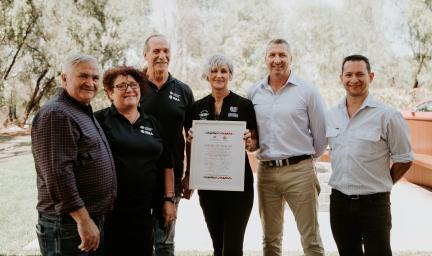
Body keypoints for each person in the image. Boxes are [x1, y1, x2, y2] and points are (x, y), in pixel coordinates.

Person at [326, 55, 413, 256]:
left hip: (374, 204)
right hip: (339, 202)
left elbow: (405, 159)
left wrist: (383, 183)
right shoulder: (332, 115)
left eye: (360, 74)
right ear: (341, 78)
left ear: (371, 76)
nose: (354, 79)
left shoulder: (388, 115)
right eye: (348, 74)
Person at [31, 53, 117, 256]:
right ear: (64, 78)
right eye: (83, 76)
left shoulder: (79, 110)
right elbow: (58, 174)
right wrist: (83, 220)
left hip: (83, 220)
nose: (90, 83)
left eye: (95, 78)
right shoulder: (57, 114)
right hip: (68, 225)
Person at [247, 38, 326, 256]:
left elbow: (320, 137)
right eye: (272, 55)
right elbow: (252, 137)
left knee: (310, 239)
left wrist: (304, 161)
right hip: (266, 173)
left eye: (282, 55)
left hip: (299, 171)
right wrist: (250, 144)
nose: (277, 60)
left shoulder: (307, 91)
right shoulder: (253, 92)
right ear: (265, 59)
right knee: (270, 240)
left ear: (291, 59)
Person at [181, 54, 258, 256]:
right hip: (208, 187)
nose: (218, 75)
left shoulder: (244, 105)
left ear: (230, 75)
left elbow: (255, 142)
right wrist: (190, 142)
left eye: (223, 71)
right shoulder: (196, 107)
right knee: (218, 246)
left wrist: (250, 142)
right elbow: (190, 145)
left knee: (232, 247)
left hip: (239, 186)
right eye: (214, 71)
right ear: (207, 76)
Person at [94, 66, 176, 255]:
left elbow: (166, 164)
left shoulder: (153, 123)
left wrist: (168, 199)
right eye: (121, 86)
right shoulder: (99, 121)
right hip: (109, 213)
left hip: (143, 211)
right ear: (109, 93)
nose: (129, 89)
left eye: (133, 84)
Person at [139, 34, 194, 255]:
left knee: (165, 242)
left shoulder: (183, 90)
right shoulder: (134, 87)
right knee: (139, 239)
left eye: (166, 51)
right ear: (145, 55)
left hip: (172, 176)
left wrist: (190, 174)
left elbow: (192, 135)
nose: (162, 56)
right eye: (156, 51)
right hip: (138, 175)